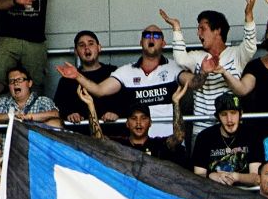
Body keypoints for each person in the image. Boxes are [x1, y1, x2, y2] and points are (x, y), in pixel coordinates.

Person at [58, 23, 186, 142]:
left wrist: (117, 114)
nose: (87, 48)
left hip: (117, 138)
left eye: (91, 43)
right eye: (81, 45)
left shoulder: (113, 72)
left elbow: (126, 101)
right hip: (80, 139)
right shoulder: (67, 79)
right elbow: (60, 107)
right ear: (76, 51)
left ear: (99, 47)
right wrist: (69, 115)